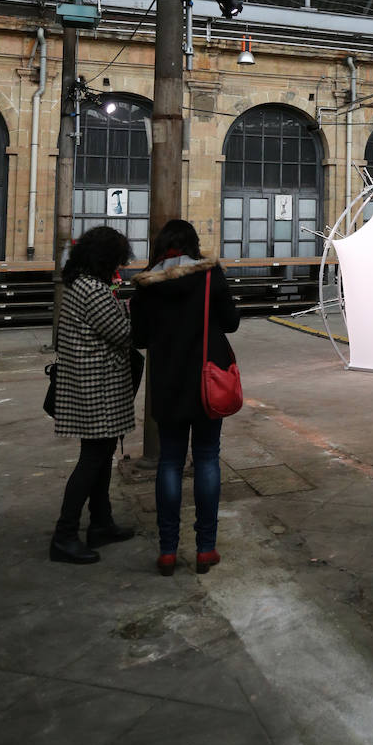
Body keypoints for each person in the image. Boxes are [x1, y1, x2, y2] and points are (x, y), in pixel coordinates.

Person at [129, 220, 240, 577]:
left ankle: (167, 550)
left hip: (167, 383)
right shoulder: (210, 275)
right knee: (207, 458)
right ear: (193, 245)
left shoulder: (146, 285)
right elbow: (231, 322)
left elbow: (140, 338)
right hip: (207, 382)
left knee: (170, 462)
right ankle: (206, 548)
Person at [50, 225, 136, 564]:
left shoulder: (81, 285)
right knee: (92, 460)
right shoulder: (93, 290)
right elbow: (122, 333)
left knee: (101, 456)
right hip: (96, 387)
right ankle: (64, 535)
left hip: (90, 384)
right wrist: (135, 311)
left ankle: (101, 523)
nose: (120, 266)